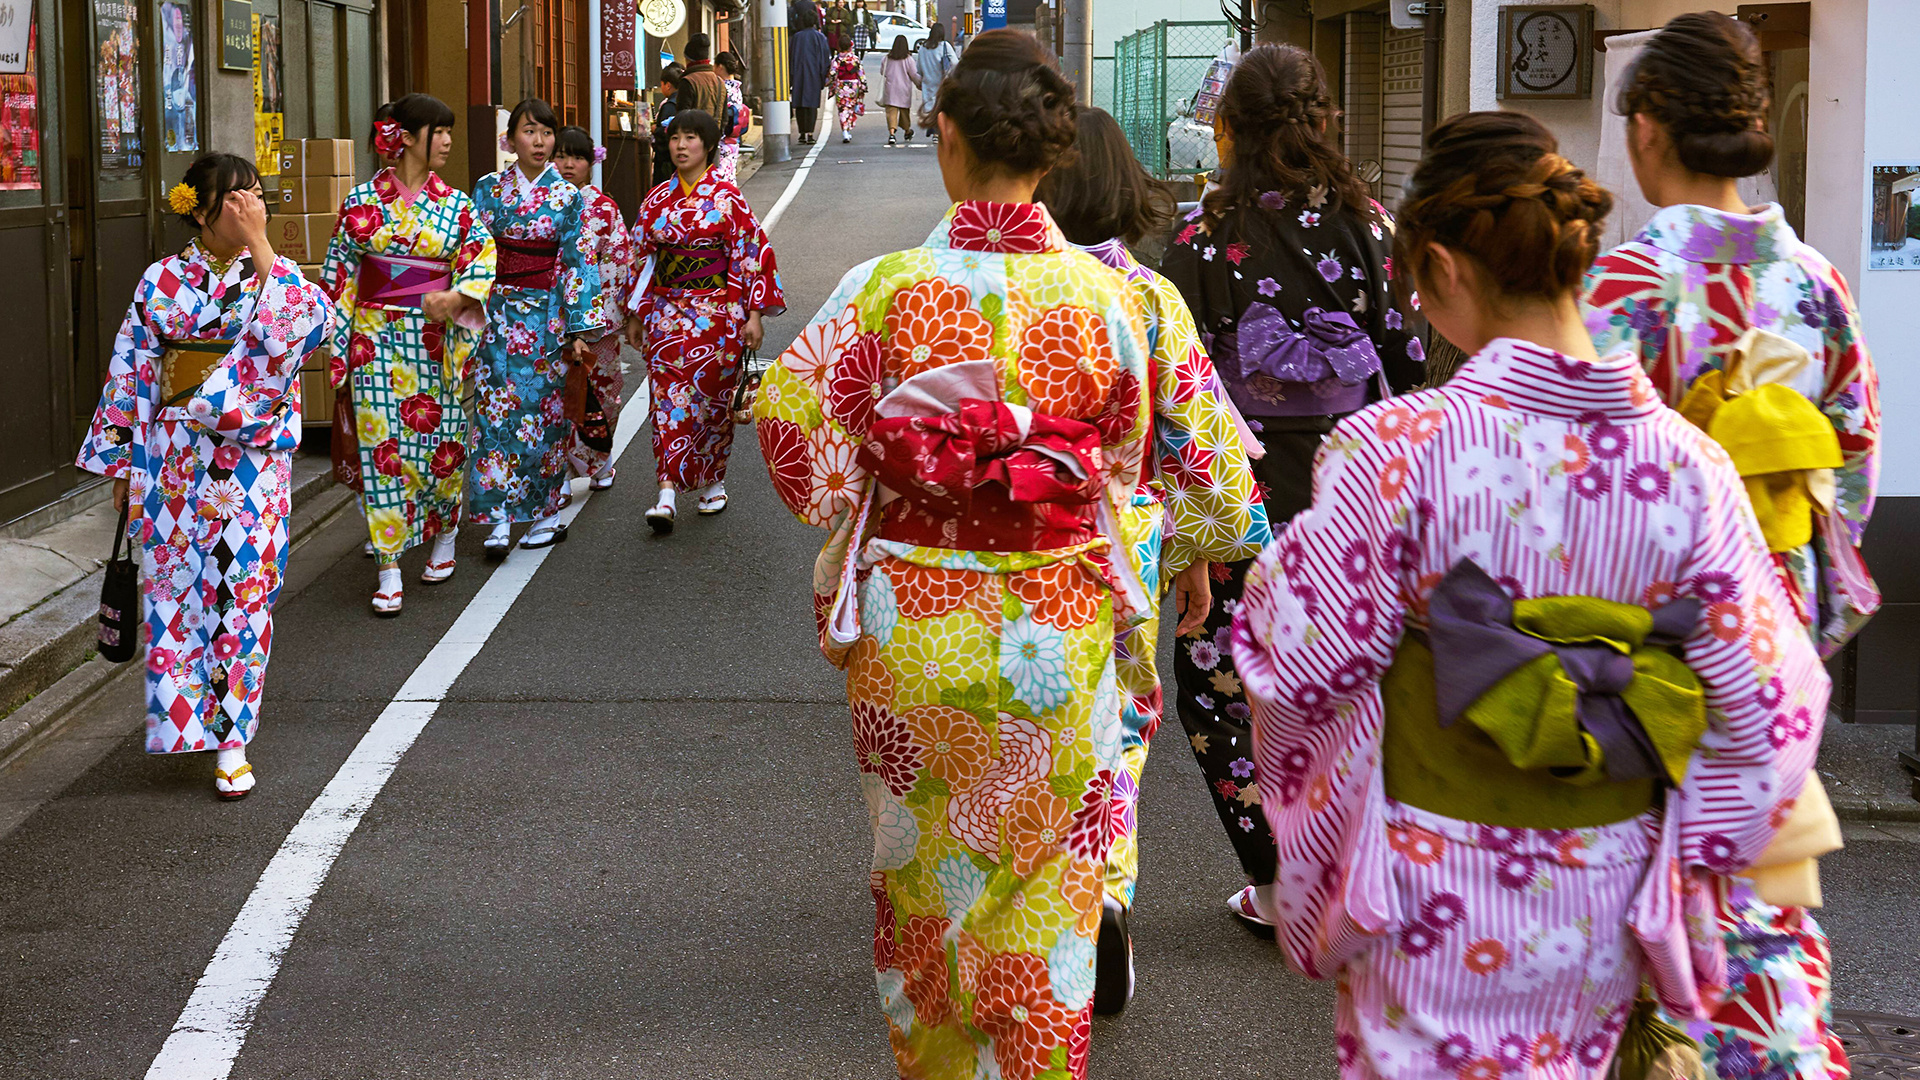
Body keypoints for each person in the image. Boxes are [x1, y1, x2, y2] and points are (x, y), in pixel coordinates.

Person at [1232, 109, 1829, 1080]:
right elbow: (1774, 706)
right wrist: (1683, 866)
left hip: (1429, 885)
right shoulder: (1692, 468)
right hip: (1612, 891)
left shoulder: (1393, 453)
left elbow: (1298, 666)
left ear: (1444, 267)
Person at [754, 30, 1156, 1080]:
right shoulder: (1112, 300)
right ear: (1051, 153)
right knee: (1051, 885)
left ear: (945, 135)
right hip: (1057, 627)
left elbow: (797, 438)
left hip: (916, 627)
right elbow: (1129, 467)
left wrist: (873, 487)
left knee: (925, 880)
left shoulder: (883, 289)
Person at [1582, 14, 1875, 1079]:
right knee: (1761, 876)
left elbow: (1586, 480)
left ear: (1648, 129)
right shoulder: (1817, 281)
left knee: (1631, 883)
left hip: (1644, 634)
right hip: (1774, 619)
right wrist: (1805, 620)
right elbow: (1848, 472)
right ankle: (1776, 1050)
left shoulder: (1623, 284)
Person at [1158, 43, 1424, 934]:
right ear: (1323, 122)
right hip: (1354, 491)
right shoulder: (1373, 229)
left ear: (1227, 127)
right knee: (1353, 678)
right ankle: (1354, 869)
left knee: (1220, 679)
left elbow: (1179, 393)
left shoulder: (1199, 242)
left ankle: (1275, 881)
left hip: (1242, 493)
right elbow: (1414, 367)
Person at [1034, 105, 1270, 1014]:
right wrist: (1203, 551)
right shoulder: (1147, 297)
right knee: (1114, 733)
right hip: (1120, 547)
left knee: (1014, 734)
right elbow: (1204, 459)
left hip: (985, 549)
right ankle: (1104, 900)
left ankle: (1019, 917)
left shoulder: (981, 286)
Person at [79, 152, 332, 796]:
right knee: (178, 594)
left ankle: (233, 741)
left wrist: (262, 246)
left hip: (248, 464)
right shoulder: (162, 279)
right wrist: (122, 464)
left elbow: (313, 327)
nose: (250, 204)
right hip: (174, 459)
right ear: (198, 208)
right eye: (234, 196)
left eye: (255, 192)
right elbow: (132, 370)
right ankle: (196, 724)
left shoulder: (270, 276)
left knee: (243, 595)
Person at [322, 94, 496, 613]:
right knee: (383, 453)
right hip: (373, 338)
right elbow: (338, 275)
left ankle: (444, 531)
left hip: (432, 341)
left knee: (439, 447)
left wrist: (458, 295)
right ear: (405, 136)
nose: (445, 140)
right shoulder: (360, 202)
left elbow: (481, 260)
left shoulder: (458, 206)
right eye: (436, 131)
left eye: (448, 130)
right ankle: (389, 564)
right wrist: (340, 341)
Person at [623, 109, 784, 533]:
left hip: (717, 314)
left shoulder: (727, 198)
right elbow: (640, 259)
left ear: (708, 145)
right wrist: (636, 313)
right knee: (667, 402)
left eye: (690, 137)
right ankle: (666, 492)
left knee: (711, 403)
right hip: (666, 312)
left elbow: (751, 256)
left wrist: (754, 316)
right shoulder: (656, 199)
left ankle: (713, 480)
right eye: (675, 137)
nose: (680, 145)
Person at [470, 98, 598, 553]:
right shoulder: (487, 189)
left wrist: (580, 329)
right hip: (496, 314)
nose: (540, 142)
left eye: (547, 133)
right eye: (529, 131)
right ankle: (499, 515)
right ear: (510, 138)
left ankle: (544, 513)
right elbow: (473, 255)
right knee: (493, 415)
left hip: (546, 318)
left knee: (544, 417)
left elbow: (578, 262)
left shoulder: (567, 196)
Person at [553, 125, 633, 488]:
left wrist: (599, 314)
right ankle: (565, 469)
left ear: (591, 163)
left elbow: (618, 260)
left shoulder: (604, 207)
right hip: (550, 314)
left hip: (597, 318)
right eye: (562, 155)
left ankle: (601, 458)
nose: (569, 164)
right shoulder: (541, 204)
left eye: (578, 157)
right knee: (558, 394)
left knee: (604, 391)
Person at [790, 5, 830, 145]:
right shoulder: (820, 37)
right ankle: (810, 134)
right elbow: (825, 58)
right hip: (814, 74)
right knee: (812, 104)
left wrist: (791, 76)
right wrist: (824, 76)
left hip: (799, 74)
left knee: (800, 104)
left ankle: (801, 133)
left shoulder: (797, 37)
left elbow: (791, 56)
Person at [914, 21, 957, 140]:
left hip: (928, 80)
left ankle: (933, 129)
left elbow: (919, 67)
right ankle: (936, 132)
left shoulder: (923, 47)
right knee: (941, 107)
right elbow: (955, 63)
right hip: (942, 81)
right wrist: (949, 73)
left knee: (931, 108)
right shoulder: (944, 46)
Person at [713, 51, 750, 183]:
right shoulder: (737, 88)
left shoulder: (721, 89)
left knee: (720, 177)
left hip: (723, 139)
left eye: (715, 65)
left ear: (720, 67)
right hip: (734, 140)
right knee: (729, 175)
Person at [879, 35, 921, 146]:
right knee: (904, 112)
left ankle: (892, 134)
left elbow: (882, 71)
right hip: (904, 89)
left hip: (890, 88)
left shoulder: (887, 58)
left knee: (891, 112)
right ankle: (907, 131)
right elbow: (914, 74)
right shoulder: (909, 60)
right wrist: (920, 85)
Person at [676, 33, 726, 120]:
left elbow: (682, 117)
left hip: (692, 132)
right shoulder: (719, 81)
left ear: (688, 59)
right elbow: (724, 118)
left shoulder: (688, 81)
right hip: (714, 132)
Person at [651, 64, 685, 186]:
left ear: (668, 85)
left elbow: (664, 134)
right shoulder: (683, 102)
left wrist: (655, 129)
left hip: (667, 161)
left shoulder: (669, 105)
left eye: (662, 84)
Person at [830, 34, 868, 144]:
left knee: (842, 109)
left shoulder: (836, 60)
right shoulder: (855, 59)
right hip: (853, 86)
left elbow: (833, 74)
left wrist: (832, 85)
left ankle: (845, 131)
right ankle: (848, 127)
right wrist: (863, 86)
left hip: (841, 86)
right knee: (851, 107)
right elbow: (861, 73)